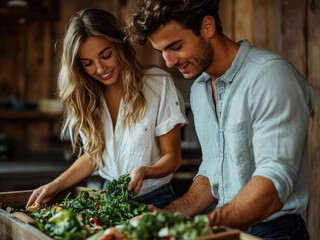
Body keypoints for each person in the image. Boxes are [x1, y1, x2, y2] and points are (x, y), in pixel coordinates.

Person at [126, 0, 314, 239]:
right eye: (161, 51)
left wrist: (201, 225)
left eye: (176, 46)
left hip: (274, 232)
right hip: (227, 228)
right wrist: (170, 214)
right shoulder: (199, 90)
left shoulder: (270, 76)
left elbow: (274, 182)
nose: (169, 62)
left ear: (207, 26)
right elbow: (213, 173)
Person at [26, 8, 188, 209]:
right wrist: (56, 185)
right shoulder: (86, 96)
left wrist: (145, 171)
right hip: (108, 198)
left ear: (120, 46)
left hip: (156, 198)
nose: (100, 69)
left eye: (106, 55)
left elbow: (173, 157)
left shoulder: (157, 84)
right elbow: (94, 155)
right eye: (88, 63)